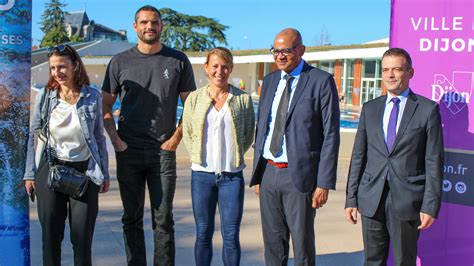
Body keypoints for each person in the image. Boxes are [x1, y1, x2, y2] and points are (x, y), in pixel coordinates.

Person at [101, 5, 196, 266]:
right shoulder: (119, 62)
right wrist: (115, 139)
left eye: (154, 22)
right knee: (131, 219)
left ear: (162, 25)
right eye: (144, 22)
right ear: (135, 27)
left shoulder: (177, 60)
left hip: (162, 153)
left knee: (163, 219)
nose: (149, 26)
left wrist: (175, 139)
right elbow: (105, 105)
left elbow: (192, 106)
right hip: (128, 150)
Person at [345, 48, 444, 266]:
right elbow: (358, 156)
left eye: (397, 69)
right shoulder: (370, 108)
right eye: (386, 70)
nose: (390, 75)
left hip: (407, 199)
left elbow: (433, 161)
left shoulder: (427, 110)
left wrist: (430, 205)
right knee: (372, 261)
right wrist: (351, 198)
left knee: (403, 261)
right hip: (371, 198)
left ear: (410, 72)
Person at [250, 28, 340, 265]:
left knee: (302, 246)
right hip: (269, 173)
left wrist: (323, 182)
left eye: (286, 51)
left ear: (301, 50)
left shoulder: (321, 81)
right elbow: (264, 126)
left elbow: (331, 133)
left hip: (299, 177)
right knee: (272, 243)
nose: (280, 56)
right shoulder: (269, 82)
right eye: (275, 51)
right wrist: (259, 174)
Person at [23, 44, 110, 266]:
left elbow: (99, 137)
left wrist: (105, 172)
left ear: (75, 66)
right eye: (53, 68)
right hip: (50, 169)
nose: (57, 72)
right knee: (51, 238)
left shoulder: (92, 96)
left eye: (62, 66)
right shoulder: (46, 97)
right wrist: (29, 174)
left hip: (85, 171)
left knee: (82, 241)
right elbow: (32, 135)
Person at [182, 47, 255, 266]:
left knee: (231, 235)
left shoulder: (242, 99)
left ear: (230, 69)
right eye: (215, 66)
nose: (219, 71)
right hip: (201, 176)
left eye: (224, 66)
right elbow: (189, 132)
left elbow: (248, 134)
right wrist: (198, 156)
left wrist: (234, 156)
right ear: (206, 68)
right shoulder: (194, 99)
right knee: (203, 233)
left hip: (231, 177)